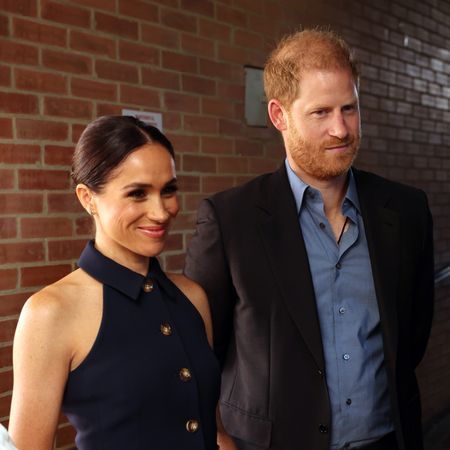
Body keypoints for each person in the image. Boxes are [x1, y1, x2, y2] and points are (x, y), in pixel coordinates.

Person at [184, 29, 434, 450]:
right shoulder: (230, 220)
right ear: (279, 115)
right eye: (321, 113)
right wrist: (219, 439)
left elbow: (411, 335)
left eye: (349, 109)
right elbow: (198, 352)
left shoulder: (406, 211)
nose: (341, 129)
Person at [9, 116, 235, 450]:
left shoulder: (192, 296)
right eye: (137, 193)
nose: (161, 212)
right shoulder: (50, 312)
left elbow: (212, 431)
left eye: (168, 190)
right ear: (87, 198)